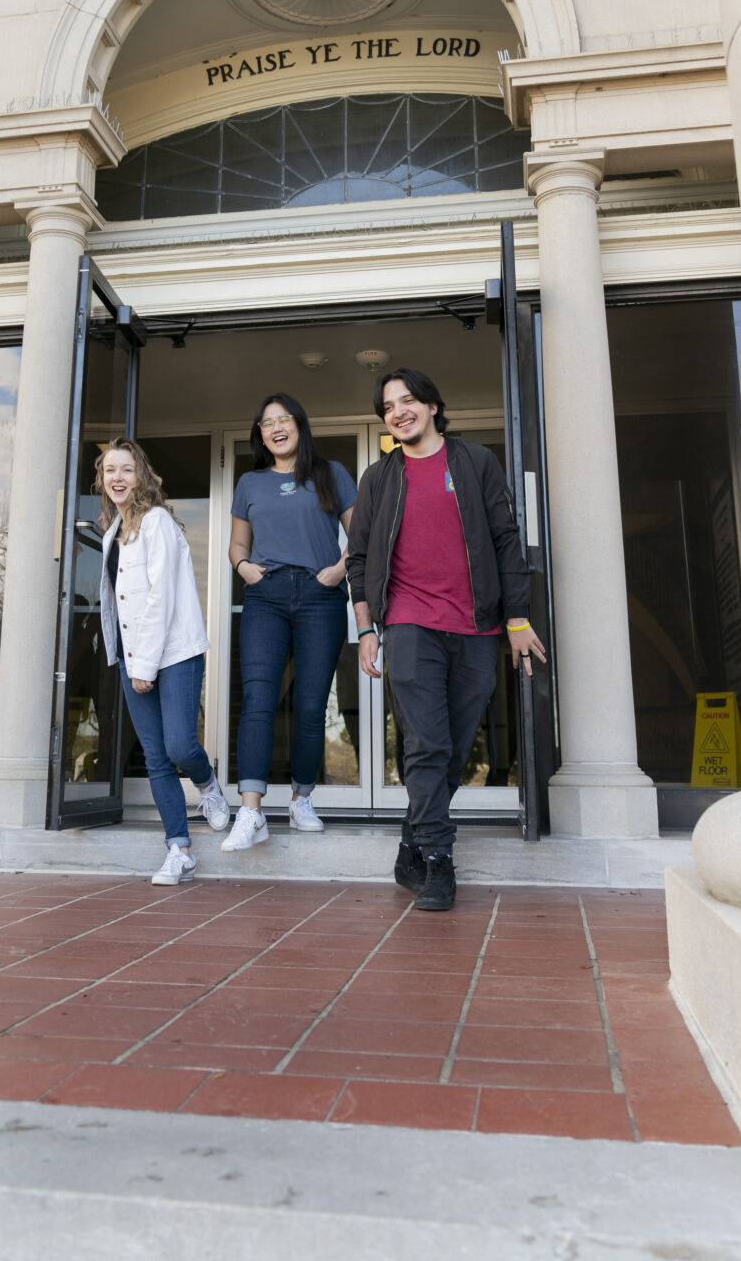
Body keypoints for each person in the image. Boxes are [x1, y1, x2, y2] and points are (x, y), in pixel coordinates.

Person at [347, 369, 546, 911]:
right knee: (427, 743)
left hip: (477, 626)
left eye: (407, 400)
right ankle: (438, 858)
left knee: (456, 746)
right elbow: (360, 559)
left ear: (433, 405)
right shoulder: (379, 478)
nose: (398, 412)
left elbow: (506, 541)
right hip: (409, 622)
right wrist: (367, 626)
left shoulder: (475, 462)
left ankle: (412, 838)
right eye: (388, 406)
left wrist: (518, 619)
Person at [224, 393, 357, 850]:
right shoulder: (250, 482)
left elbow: (360, 535)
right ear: (260, 434)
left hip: (321, 596)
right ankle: (251, 811)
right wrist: (244, 570)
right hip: (266, 595)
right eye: (266, 423)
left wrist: (338, 572)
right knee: (258, 700)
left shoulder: (331, 474)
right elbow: (237, 546)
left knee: (310, 704)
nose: (275, 428)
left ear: (300, 425)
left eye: (284, 419)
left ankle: (301, 798)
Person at [97, 437, 230, 885]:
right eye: (109, 470)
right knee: (155, 756)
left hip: (173, 652)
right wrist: (125, 659)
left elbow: (161, 599)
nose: (117, 477)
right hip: (133, 657)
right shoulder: (112, 531)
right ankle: (179, 848)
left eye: (126, 469)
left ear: (141, 476)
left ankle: (208, 784)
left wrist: (144, 667)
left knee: (178, 746)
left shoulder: (157, 523)